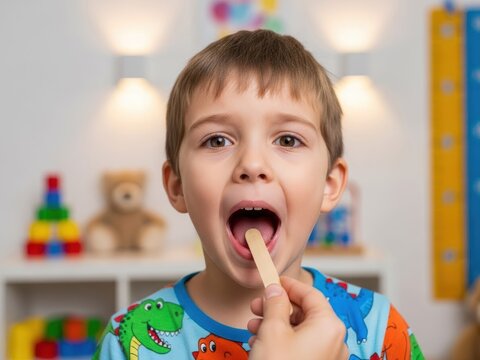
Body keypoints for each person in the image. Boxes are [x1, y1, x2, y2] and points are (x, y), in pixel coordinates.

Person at [94, 29, 424, 359]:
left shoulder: (380, 331)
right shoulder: (126, 342)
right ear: (177, 186)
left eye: (288, 140)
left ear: (330, 184)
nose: (252, 164)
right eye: (217, 140)